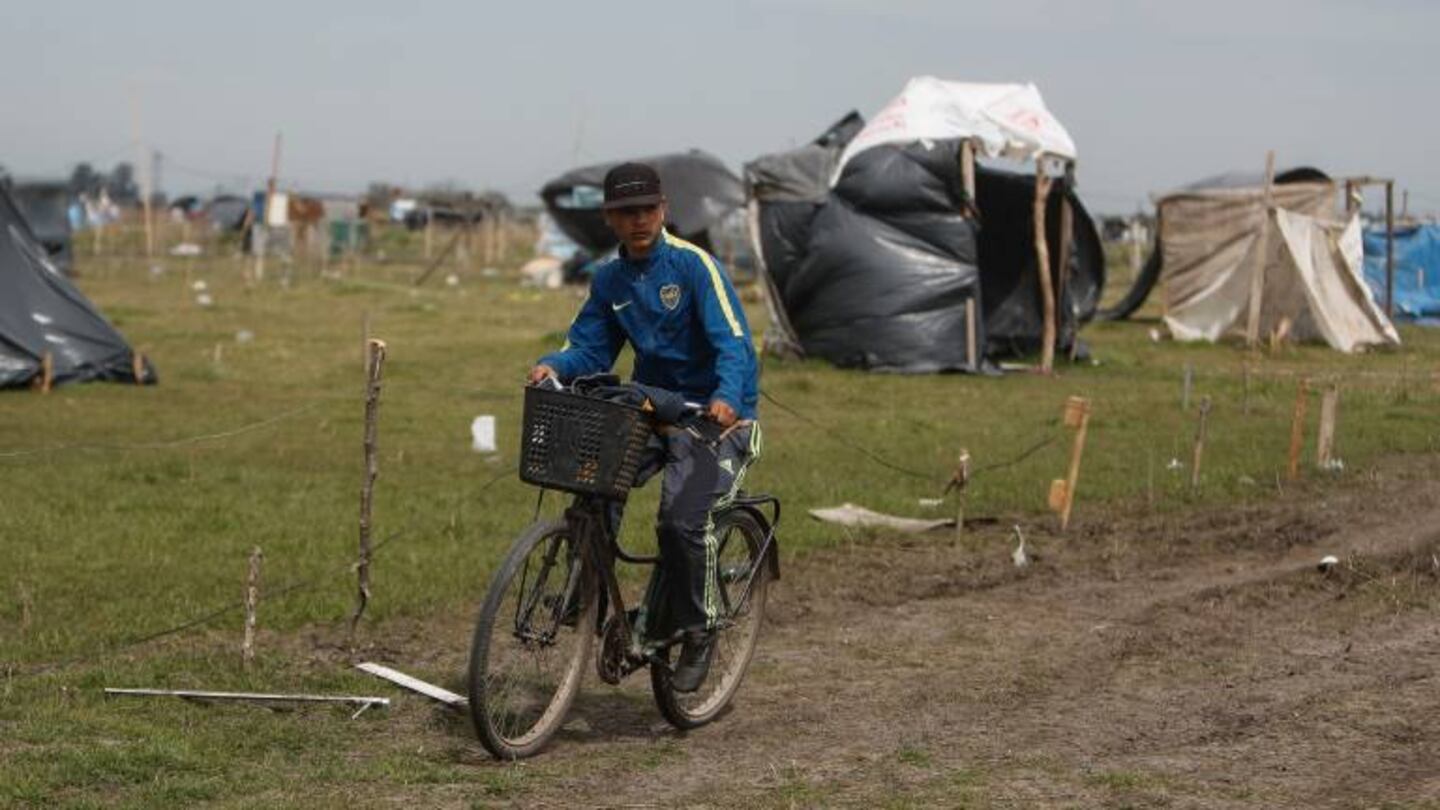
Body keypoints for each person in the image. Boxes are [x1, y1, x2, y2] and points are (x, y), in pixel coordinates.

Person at [528, 162, 760, 693]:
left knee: (680, 521)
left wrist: (726, 398)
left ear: (663, 211)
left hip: (715, 416)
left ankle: (699, 629)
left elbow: (733, 343)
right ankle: (585, 592)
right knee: (592, 479)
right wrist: (555, 365)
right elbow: (589, 345)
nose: (638, 220)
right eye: (625, 212)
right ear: (609, 217)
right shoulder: (610, 278)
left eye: (647, 209)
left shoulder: (694, 266)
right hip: (653, 407)